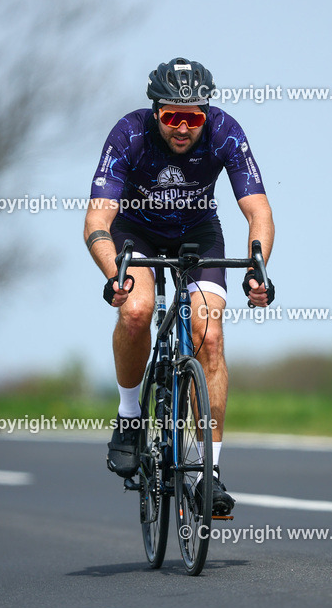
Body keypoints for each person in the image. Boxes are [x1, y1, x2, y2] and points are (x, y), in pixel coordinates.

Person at [83, 57, 275, 515]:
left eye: (193, 118)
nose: (184, 128)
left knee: (208, 337)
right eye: (173, 117)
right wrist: (117, 274)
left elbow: (259, 213)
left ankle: (206, 472)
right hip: (137, 233)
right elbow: (97, 219)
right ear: (155, 112)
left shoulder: (226, 130)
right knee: (136, 311)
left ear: (206, 114)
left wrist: (257, 269)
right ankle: (131, 415)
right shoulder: (128, 134)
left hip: (199, 233)